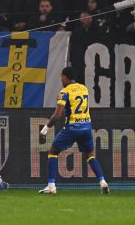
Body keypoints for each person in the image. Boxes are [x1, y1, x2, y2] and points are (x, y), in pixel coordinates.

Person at [39, 67, 109, 195]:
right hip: (86, 127)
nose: (61, 80)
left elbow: (58, 114)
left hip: (72, 128)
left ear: (65, 77)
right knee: (90, 155)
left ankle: (51, 186)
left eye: (61, 77)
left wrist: (45, 129)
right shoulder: (84, 88)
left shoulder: (64, 92)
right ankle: (102, 182)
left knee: (53, 152)